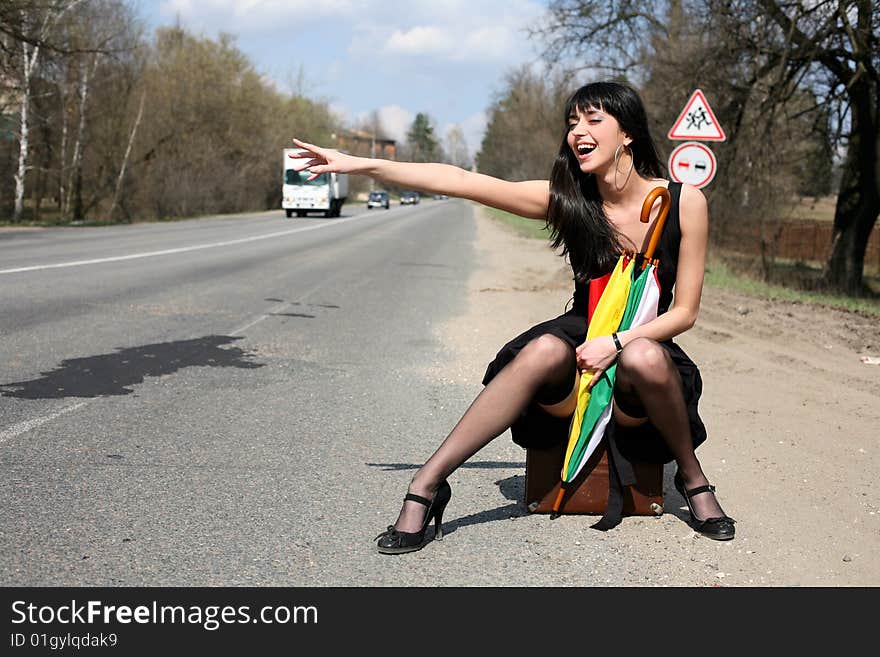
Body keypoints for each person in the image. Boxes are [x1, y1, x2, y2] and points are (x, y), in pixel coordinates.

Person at [290, 81, 735, 553]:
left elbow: (685, 311)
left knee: (644, 356)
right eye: (571, 123)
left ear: (627, 133)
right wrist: (360, 165)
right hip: (581, 337)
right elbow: (462, 181)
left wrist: (619, 342)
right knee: (542, 348)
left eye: (592, 120)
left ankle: (692, 479)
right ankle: (428, 483)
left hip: (643, 344)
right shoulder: (569, 201)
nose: (577, 132)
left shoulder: (685, 202)